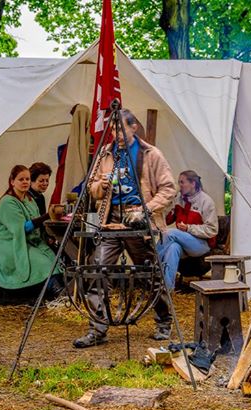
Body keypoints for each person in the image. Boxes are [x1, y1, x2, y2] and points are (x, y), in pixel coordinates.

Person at [73, 109, 177, 348]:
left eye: (121, 128)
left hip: (138, 218)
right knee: (98, 268)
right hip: (110, 219)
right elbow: (91, 187)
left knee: (150, 272)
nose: (116, 133)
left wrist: (146, 209)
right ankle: (97, 329)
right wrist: (102, 184)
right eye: (113, 129)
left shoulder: (151, 154)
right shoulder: (105, 153)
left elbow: (168, 189)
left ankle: (163, 322)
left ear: (134, 127)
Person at [0, 165, 63, 305]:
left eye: (27, 179)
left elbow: (36, 225)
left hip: (30, 241)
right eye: (21, 179)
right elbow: (21, 228)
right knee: (42, 262)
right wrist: (48, 215)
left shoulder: (29, 199)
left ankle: (60, 292)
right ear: (12, 181)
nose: (25, 182)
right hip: (12, 244)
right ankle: (58, 293)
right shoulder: (7, 202)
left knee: (53, 256)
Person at [157, 170, 218, 290]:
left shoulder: (206, 202)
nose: (179, 185)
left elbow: (212, 230)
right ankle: (166, 290)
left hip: (201, 245)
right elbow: (167, 220)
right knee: (173, 248)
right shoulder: (179, 199)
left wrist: (189, 228)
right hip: (184, 243)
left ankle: (151, 263)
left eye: (182, 182)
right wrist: (170, 203)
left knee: (170, 233)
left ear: (193, 184)